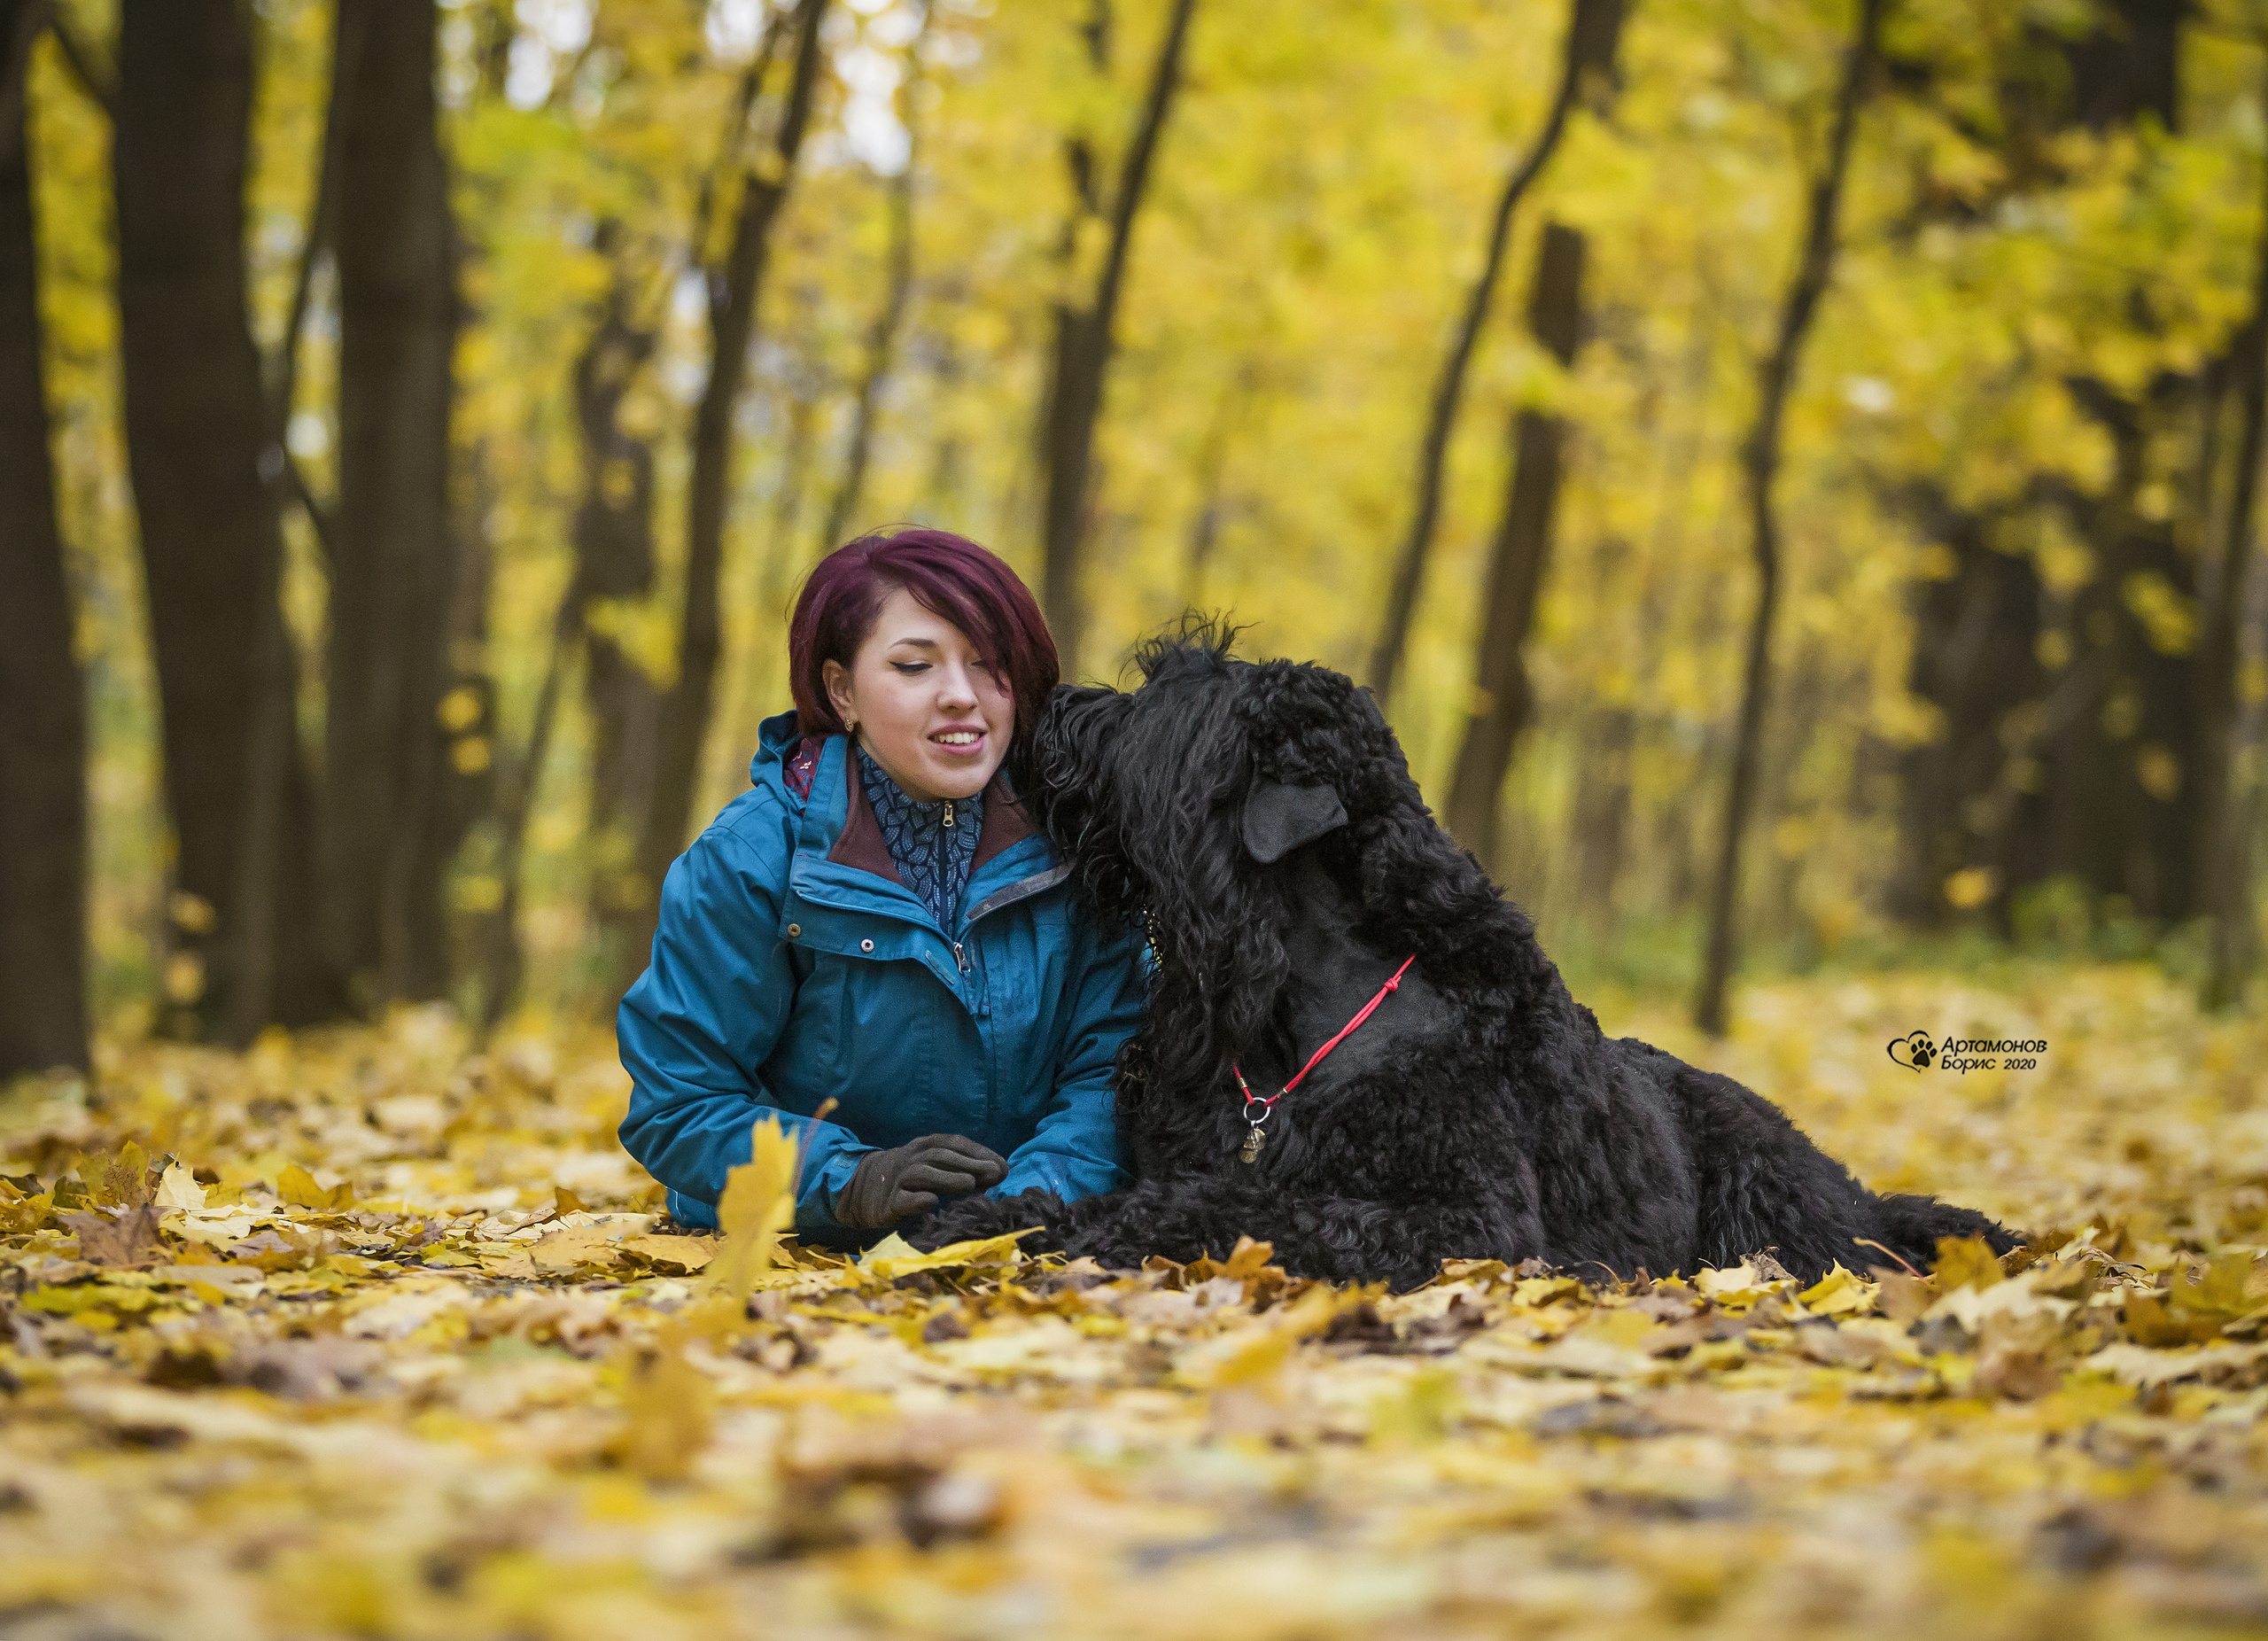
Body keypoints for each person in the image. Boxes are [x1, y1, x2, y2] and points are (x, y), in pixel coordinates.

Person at [616, 528, 1143, 1246]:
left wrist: (1024, 1206)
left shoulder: (1078, 842)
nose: (961, 696)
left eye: (990, 665)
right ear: (841, 691)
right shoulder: (750, 859)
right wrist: (852, 1182)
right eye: (914, 666)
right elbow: (680, 1101)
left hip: (1029, 1247)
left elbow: (1113, 1066)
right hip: (799, 1259)